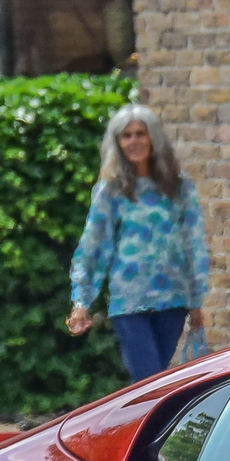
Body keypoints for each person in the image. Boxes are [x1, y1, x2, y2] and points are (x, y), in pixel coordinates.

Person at [67, 104, 209, 382]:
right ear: (117, 143)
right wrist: (82, 301)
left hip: (173, 300)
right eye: (126, 136)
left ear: (153, 137)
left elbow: (193, 244)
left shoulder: (179, 188)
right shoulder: (110, 191)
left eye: (140, 134)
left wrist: (196, 301)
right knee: (147, 381)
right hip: (129, 302)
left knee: (158, 382)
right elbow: (94, 246)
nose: (134, 141)